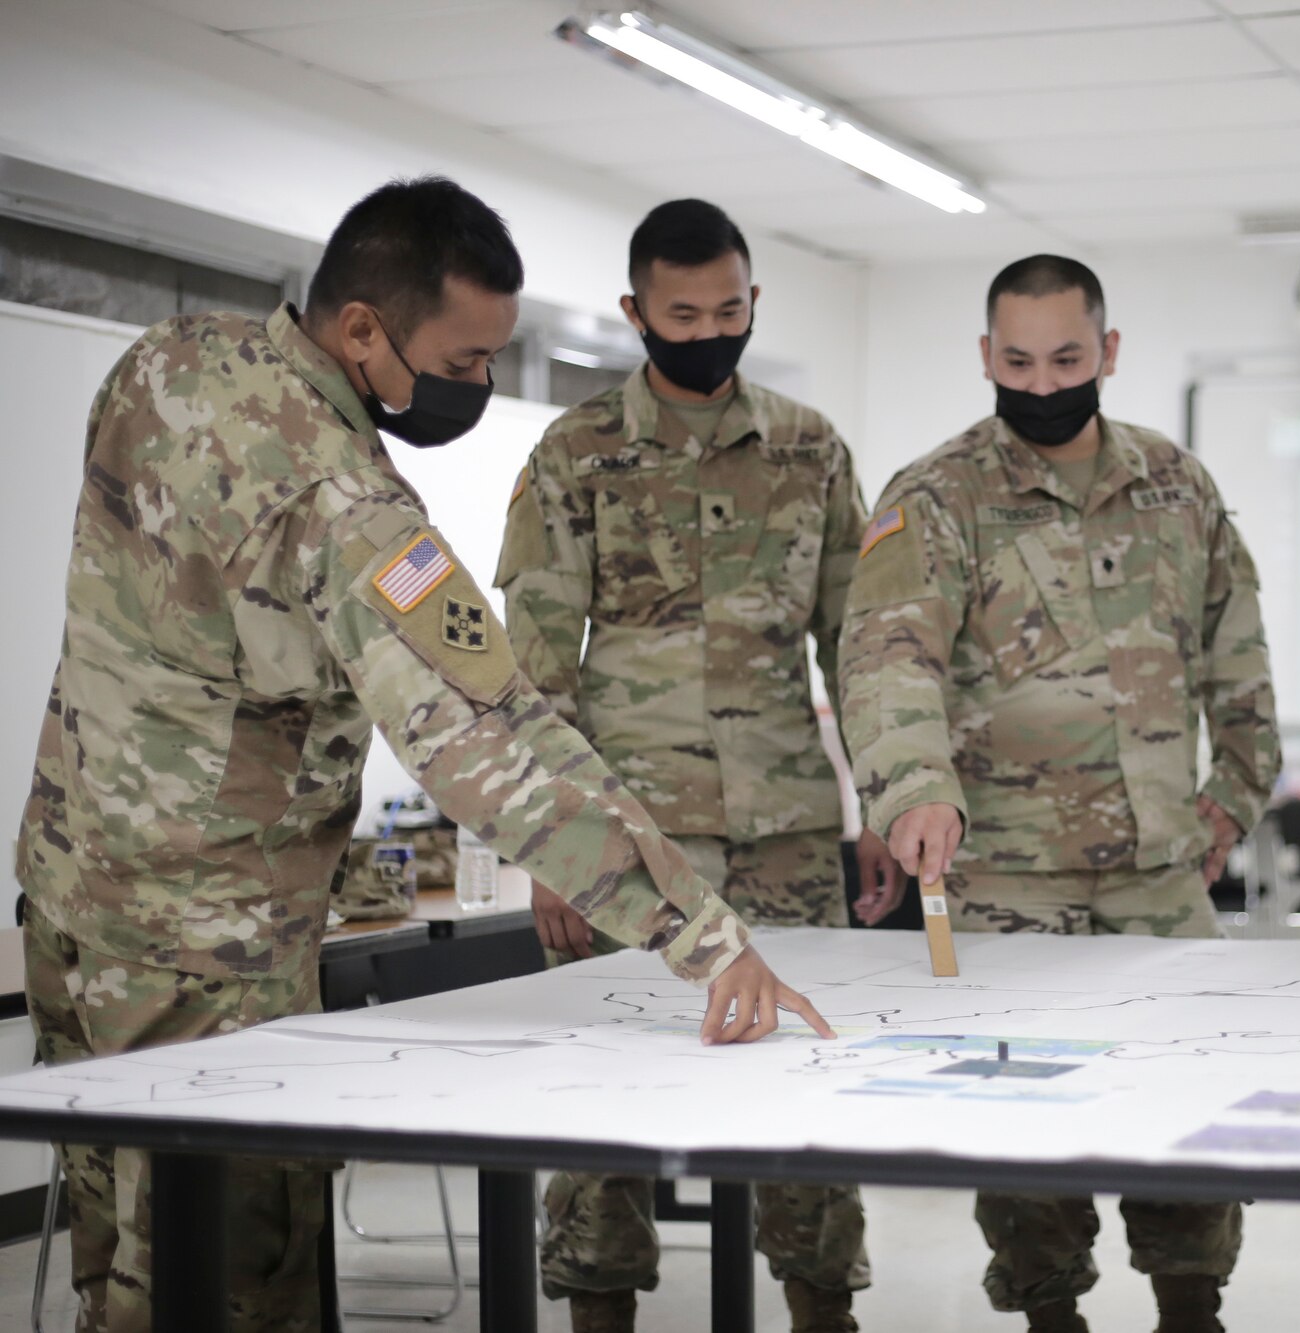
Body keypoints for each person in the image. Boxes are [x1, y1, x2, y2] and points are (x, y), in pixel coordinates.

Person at [13, 177, 828, 1333]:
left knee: (121, 1262)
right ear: (362, 329)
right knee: (239, 1277)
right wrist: (701, 933)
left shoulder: (172, 358)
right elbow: (483, 738)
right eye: (463, 359)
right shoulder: (347, 501)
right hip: (207, 947)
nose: (480, 385)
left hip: (74, 890)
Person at [838, 255, 1279, 1333]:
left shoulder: (1178, 484)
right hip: (1005, 875)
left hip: (1156, 872)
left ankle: (1189, 1306)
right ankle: (1048, 1314)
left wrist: (1234, 794)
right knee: (1024, 1130)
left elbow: (1237, 650)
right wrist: (913, 791)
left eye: (1067, 358)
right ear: (987, 357)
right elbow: (890, 657)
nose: (1042, 383)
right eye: (1019, 361)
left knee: (1184, 1106)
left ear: (1107, 353)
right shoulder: (936, 495)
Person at [497, 198, 884, 1333]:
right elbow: (531, 673)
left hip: (787, 835)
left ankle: (823, 1313)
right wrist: (554, 854)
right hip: (629, 842)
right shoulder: (575, 454)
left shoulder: (810, 448)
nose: (710, 330)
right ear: (635, 314)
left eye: (729, 309)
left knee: (806, 1101)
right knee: (603, 1110)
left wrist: (877, 804)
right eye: (682, 313)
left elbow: (856, 645)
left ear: (753, 302)